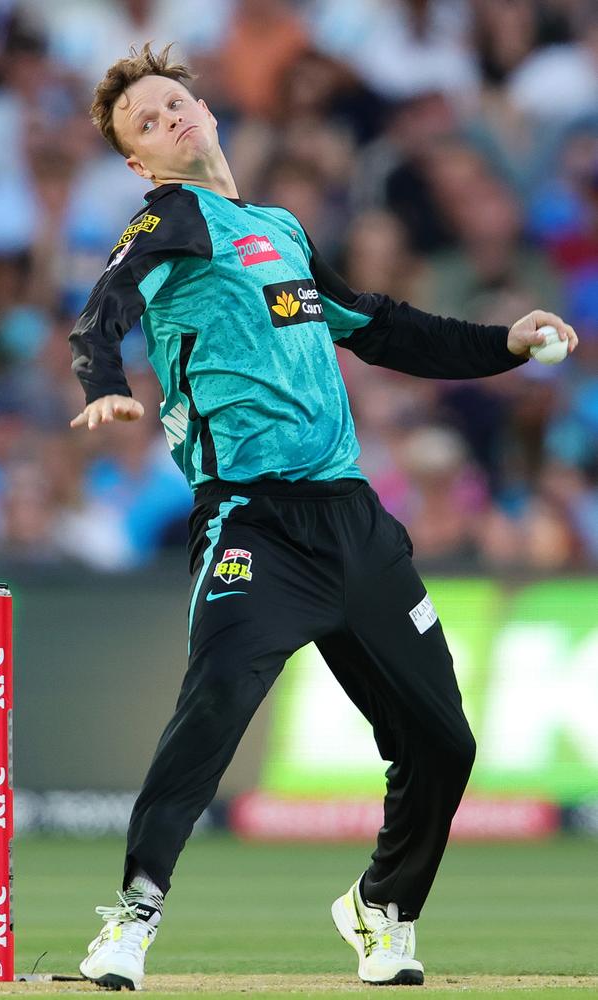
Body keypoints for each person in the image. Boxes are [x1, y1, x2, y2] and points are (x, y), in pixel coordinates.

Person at [69, 43, 578, 990]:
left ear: (207, 112)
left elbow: (377, 326)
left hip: (352, 518)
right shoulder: (169, 219)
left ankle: (382, 908)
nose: (171, 117)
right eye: (147, 122)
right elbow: (103, 309)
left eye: (177, 102)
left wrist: (505, 344)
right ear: (140, 162)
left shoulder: (282, 229)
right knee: (215, 702)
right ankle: (132, 920)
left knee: (444, 744)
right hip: (253, 525)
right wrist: (103, 383)